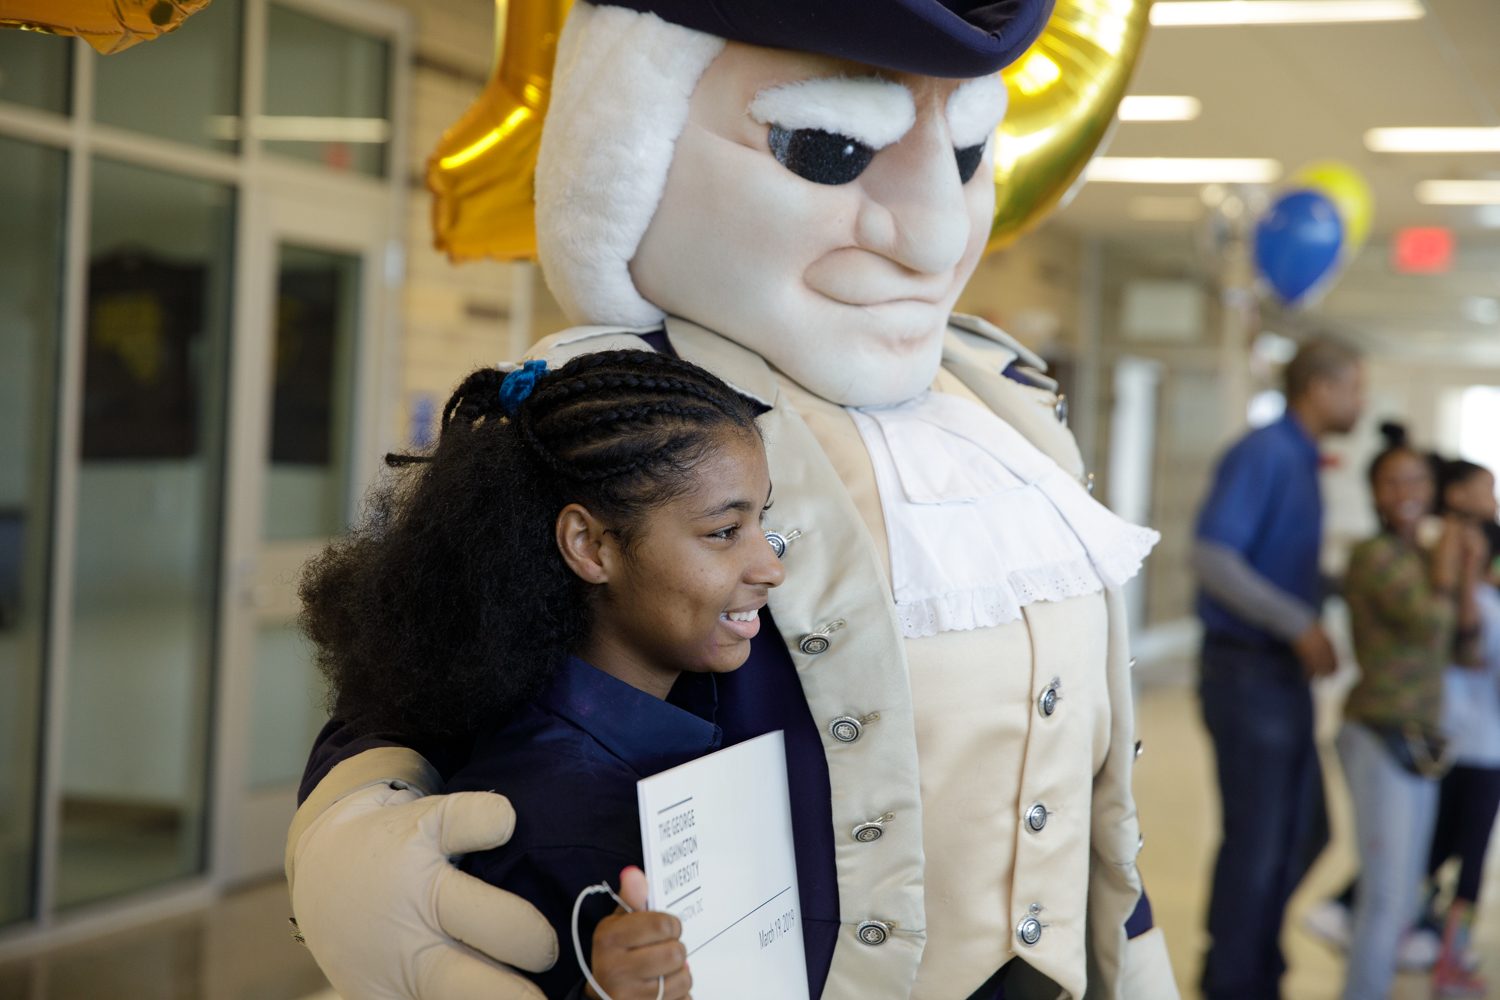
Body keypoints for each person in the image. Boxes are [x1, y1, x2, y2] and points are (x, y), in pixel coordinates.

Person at [284, 3, 1184, 999]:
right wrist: (350, 825)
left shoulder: (1005, 405)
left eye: (970, 150)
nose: (934, 234)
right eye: (830, 147)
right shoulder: (614, 413)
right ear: (632, 142)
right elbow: (433, 659)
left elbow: (1090, 784)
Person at [297, 352, 782, 999]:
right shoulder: (543, 826)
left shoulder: (661, 735)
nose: (770, 567)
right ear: (590, 545)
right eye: (724, 530)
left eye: (763, 523)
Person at [1191, 336, 1363, 1000]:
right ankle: (1235, 978)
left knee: (1306, 829)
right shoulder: (1264, 452)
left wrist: (1347, 586)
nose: (1360, 401)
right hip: (1247, 675)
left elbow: (1275, 565)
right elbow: (1214, 557)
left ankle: (1249, 955)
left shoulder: (1300, 460)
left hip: (1280, 681)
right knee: (1259, 841)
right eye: (1355, 386)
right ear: (1320, 388)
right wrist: (1300, 623)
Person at [1338, 425, 1484, 1000]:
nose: (1407, 490)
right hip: (1378, 733)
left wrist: (1465, 573)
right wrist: (1450, 566)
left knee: (1401, 898)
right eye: (1392, 480)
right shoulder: (1374, 556)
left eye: (1417, 478)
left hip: (1423, 736)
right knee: (1383, 898)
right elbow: (1429, 624)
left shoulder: (1423, 556)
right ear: (1373, 492)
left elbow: (1467, 650)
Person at [1426, 459, 1500, 996]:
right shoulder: (1465, 604)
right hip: (1463, 748)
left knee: (1459, 858)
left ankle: (1448, 950)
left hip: (1479, 750)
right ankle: (1436, 947)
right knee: (1440, 854)